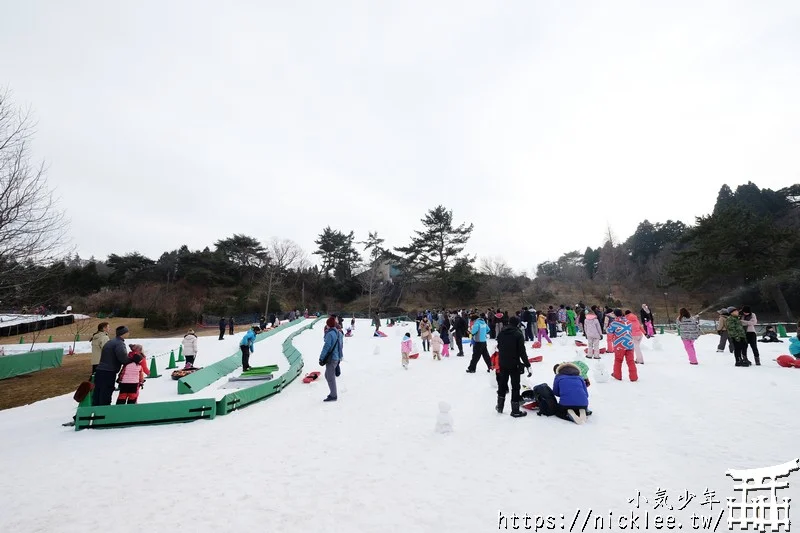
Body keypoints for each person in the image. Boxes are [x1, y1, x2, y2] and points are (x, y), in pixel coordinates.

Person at [92, 326, 142, 406]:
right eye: (127, 332)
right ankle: (105, 413)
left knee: (98, 393)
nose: (128, 333)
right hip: (108, 372)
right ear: (123, 334)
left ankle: (94, 412)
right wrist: (133, 359)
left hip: (101, 370)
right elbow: (123, 359)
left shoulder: (111, 342)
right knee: (106, 393)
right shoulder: (119, 344)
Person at [495, 316, 532, 417]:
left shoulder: (502, 333)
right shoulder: (518, 334)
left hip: (502, 362)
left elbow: (498, 346)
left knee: (502, 384)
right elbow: (522, 352)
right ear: (517, 323)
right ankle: (515, 410)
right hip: (514, 363)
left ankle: (500, 407)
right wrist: (528, 365)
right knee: (515, 386)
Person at [607, 310, 638, 382]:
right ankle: (634, 377)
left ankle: (617, 375)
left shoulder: (614, 323)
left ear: (615, 315)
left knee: (618, 360)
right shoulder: (629, 322)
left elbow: (608, 331)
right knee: (631, 361)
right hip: (630, 344)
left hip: (619, 344)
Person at [319, 316, 343, 401]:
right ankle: (333, 393)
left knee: (330, 377)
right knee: (328, 375)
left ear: (329, 325)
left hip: (331, 358)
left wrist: (321, 358)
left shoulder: (330, 334)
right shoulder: (338, 333)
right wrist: (340, 356)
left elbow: (326, 347)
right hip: (336, 357)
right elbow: (341, 345)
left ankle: (333, 395)